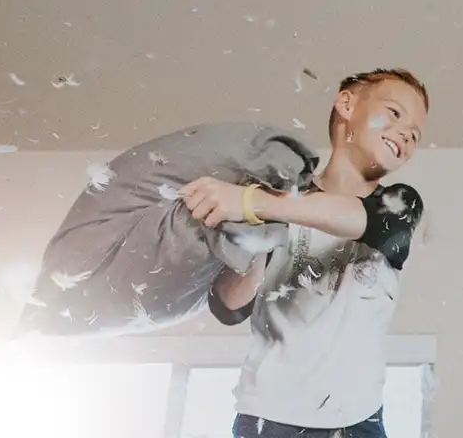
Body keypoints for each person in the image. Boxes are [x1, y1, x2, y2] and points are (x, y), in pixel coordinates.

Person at [178, 68, 430, 438]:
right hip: (267, 418)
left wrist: (253, 203)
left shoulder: (399, 204)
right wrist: (256, 233)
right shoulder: (279, 201)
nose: (405, 135)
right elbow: (229, 306)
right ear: (347, 103)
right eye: (394, 113)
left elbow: (368, 222)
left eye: (414, 135)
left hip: (356, 420)